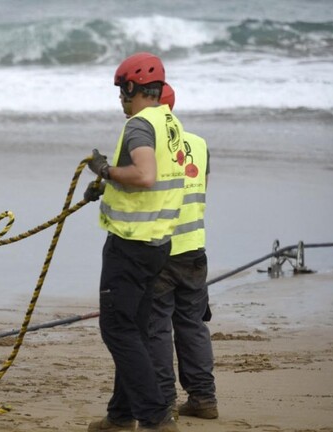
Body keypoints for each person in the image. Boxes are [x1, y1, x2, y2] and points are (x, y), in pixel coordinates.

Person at [84, 52, 186, 432]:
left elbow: (144, 175)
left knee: (117, 329)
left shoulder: (140, 126)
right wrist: (108, 182)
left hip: (131, 244)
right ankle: (120, 415)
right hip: (158, 243)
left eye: (121, 90)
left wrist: (106, 169)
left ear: (131, 87)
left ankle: (155, 417)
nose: (120, 99)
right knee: (135, 328)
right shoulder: (169, 122)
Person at [148, 84, 218, 419]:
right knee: (192, 325)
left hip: (160, 250)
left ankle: (163, 403)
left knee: (157, 327)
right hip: (194, 249)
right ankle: (203, 399)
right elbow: (202, 186)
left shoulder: (147, 147)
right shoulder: (201, 145)